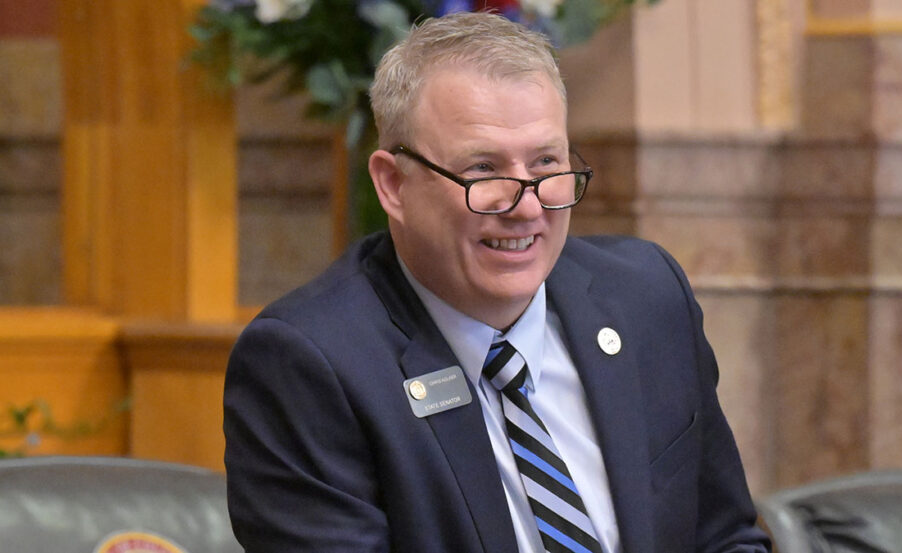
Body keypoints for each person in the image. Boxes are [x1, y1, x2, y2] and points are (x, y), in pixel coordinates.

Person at [224, 11, 770, 553]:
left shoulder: (645, 297)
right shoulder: (309, 364)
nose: (526, 206)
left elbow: (724, 538)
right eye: (484, 170)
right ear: (393, 185)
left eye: (545, 163)